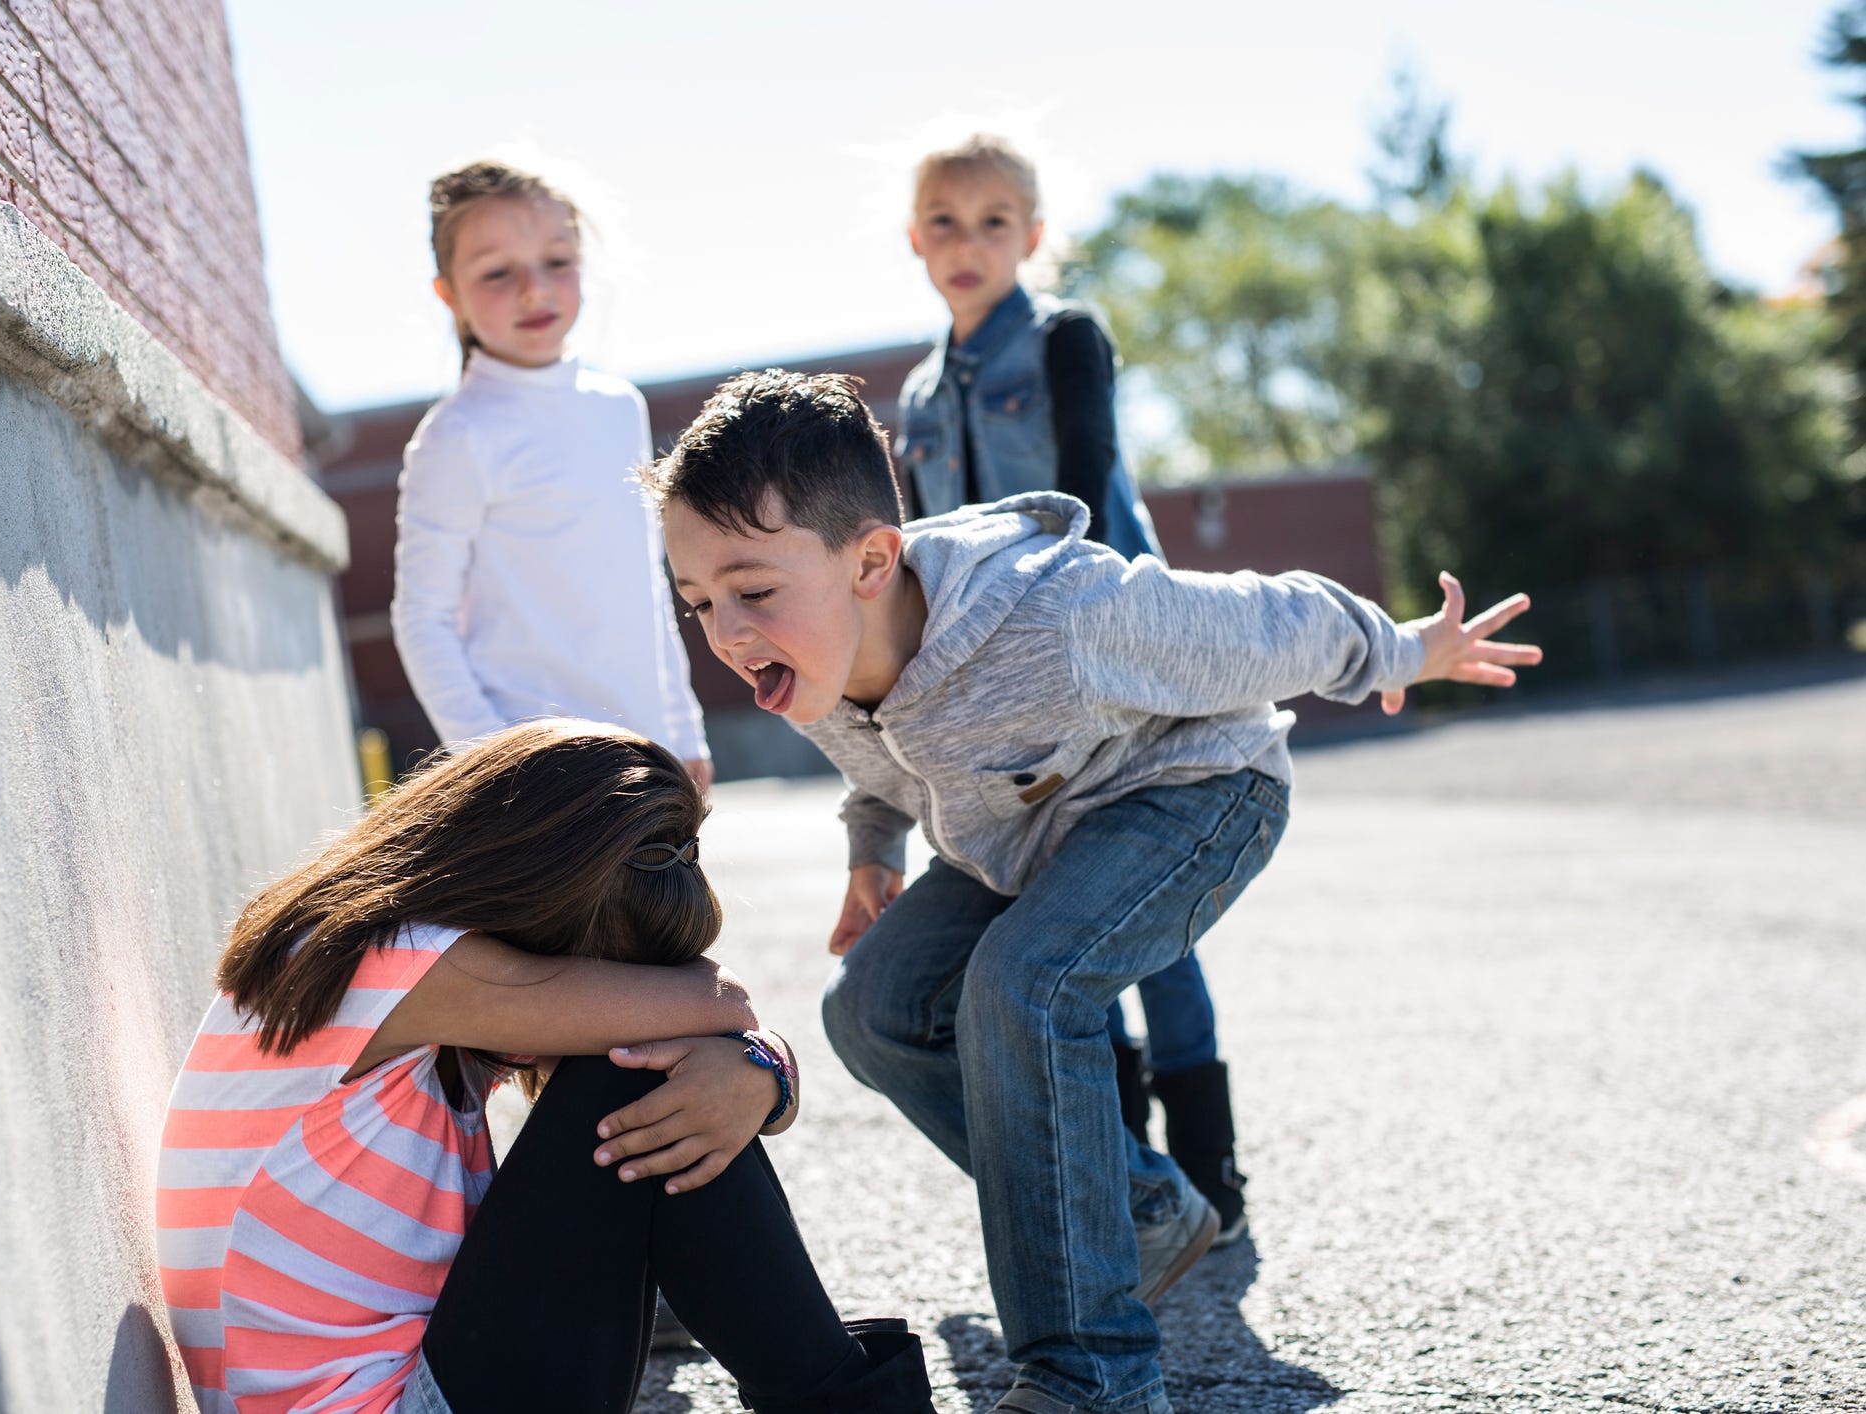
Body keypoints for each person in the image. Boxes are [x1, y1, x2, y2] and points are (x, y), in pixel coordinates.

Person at [646, 371, 1539, 1414]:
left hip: (1196, 793)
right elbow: (879, 762)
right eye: (698, 601)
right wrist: (871, 850)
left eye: (751, 590)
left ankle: (1097, 1376)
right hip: (1029, 835)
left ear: (871, 562)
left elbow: (1267, 619)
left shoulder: (1060, 615)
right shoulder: (808, 651)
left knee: (1022, 985)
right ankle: (1138, 1206)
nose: (727, 631)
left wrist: (1401, 648)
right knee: (872, 1012)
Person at [155, 720, 937, 1414]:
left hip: (413, 1381)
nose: (608, 996)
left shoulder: (379, 966)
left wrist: (761, 1071)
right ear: (535, 895)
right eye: (601, 971)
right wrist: (753, 1059)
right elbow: (721, 1002)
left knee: (660, 1075)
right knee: (635, 1074)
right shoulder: (394, 963)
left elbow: (724, 1026)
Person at [894, 135, 1244, 1239]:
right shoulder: (913, 393)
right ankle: (1135, 1181)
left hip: (1115, 664)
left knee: (1153, 927)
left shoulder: (1063, 339)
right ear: (914, 239)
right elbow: (921, 551)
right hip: (1000, 696)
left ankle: (1211, 1170)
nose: (969, 242)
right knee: (1058, 918)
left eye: (995, 220)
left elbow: (1087, 486)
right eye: (945, 221)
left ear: (1034, 237)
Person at [391, 161, 712, 792]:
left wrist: (684, 729)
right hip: (538, 778)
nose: (534, 290)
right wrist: (493, 761)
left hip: (648, 756)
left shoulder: (620, 406)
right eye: (497, 272)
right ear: (448, 293)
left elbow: (647, 586)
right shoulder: (457, 435)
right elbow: (421, 617)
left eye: (556, 261)